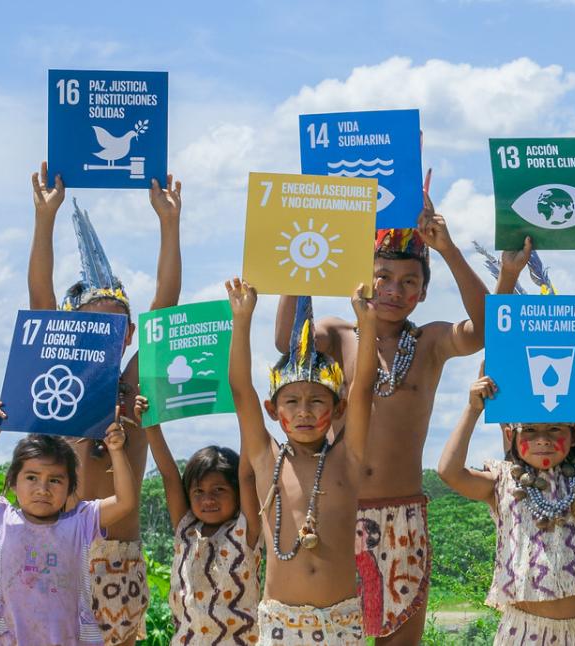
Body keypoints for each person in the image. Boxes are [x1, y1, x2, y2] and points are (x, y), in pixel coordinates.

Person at [270, 174, 487, 644]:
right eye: (382, 275)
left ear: (423, 292)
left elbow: (488, 329)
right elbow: (286, 340)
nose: (393, 288)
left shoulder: (429, 341)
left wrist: (447, 249)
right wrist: (305, 249)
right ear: (362, 277)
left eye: (409, 280)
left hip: (404, 518)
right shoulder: (337, 334)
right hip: (337, 512)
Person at [435, 265, 575, 643]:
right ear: (511, 433)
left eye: (554, 430)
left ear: (574, 436)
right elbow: (448, 472)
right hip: (525, 632)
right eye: (531, 431)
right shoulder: (501, 481)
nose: (541, 439)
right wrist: (472, 410)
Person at [28, 163, 183, 645]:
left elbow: (166, 307)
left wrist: (169, 224)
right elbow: (39, 301)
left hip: (121, 554)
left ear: (129, 334)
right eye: (92, 325)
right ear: (69, 331)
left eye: (116, 326)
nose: (105, 336)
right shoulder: (58, 383)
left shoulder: (133, 387)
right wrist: (44, 220)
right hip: (60, 551)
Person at [228, 280, 379, 645]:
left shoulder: (348, 458)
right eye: (291, 402)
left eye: (317, 401)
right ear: (272, 410)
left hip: (340, 623)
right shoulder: (266, 459)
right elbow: (240, 389)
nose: (304, 412)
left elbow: (363, 388)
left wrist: (368, 322)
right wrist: (242, 319)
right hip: (283, 624)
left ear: (338, 408)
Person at [0, 405, 138, 645]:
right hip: (7, 637)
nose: (42, 489)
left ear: (69, 488)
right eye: (32, 477)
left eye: (55, 480)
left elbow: (125, 501)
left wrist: (116, 450)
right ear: (13, 482)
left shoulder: (81, 522)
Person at [146, 421, 262, 645]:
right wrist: (152, 423)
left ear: (238, 493)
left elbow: (248, 475)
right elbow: (169, 475)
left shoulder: (245, 531)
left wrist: (245, 413)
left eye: (219, 490)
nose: (208, 499)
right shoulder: (186, 530)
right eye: (198, 491)